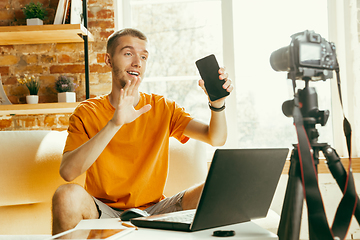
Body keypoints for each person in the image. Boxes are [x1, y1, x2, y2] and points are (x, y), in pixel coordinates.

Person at [51, 28, 233, 235]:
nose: (137, 62)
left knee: (217, 188)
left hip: (154, 210)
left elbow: (216, 138)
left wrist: (217, 104)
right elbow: (68, 173)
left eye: (144, 56)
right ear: (108, 60)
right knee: (66, 195)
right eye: (128, 53)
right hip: (103, 210)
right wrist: (115, 123)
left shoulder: (162, 107)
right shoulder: (87, 112)